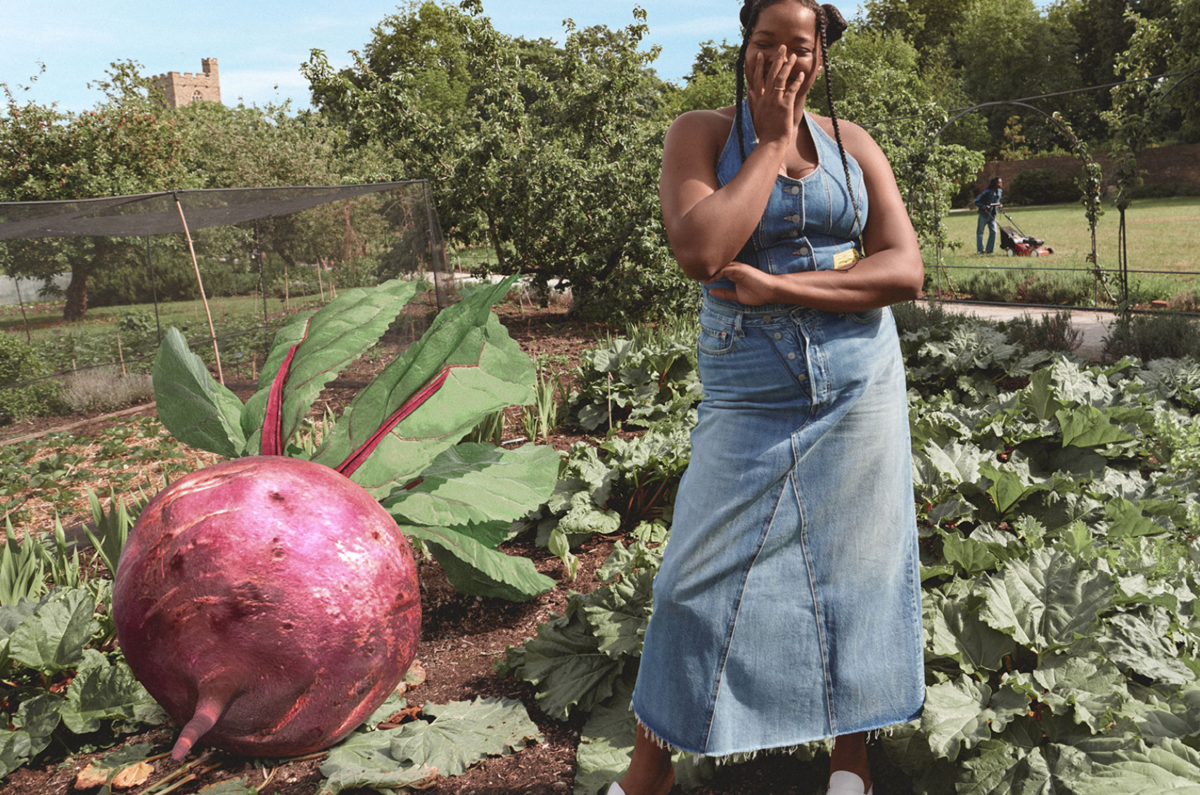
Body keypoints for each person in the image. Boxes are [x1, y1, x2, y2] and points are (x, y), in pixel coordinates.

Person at [606, 2, 926, 795]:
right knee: (693, 579)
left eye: (799, 45)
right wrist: (774, 141)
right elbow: (703, 246)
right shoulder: (703, 135)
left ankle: (848, 767)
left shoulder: (856, 144)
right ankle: (649, 775)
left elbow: (904, 269)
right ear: (743, 48)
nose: (780, 59)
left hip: (859, 378)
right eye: (765, 42)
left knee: (862, 567)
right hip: (749, 383)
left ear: (822, 57)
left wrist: (782, 284)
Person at [974, 177, 1004, 254]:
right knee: (980, 232)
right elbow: (977, 201)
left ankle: (989, 250)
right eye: (999, 183)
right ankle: (980, 250)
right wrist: (984, 206)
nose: (1001, 184)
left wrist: (999, 205)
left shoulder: (1000, 191)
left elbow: (997, 201)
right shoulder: (987, 192)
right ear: (995, 184)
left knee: (994, 232)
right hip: (984, 215)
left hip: (992, 215)